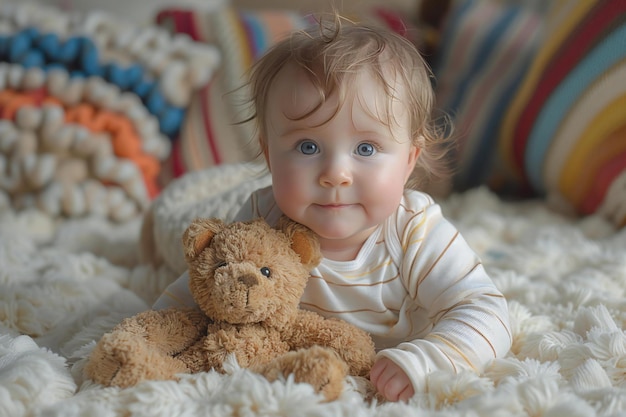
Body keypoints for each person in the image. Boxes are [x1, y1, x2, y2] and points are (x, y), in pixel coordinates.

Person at [153, 15, 512, 403]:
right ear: (271, 155)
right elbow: (209, 281)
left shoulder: (415, 231)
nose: (335, 174)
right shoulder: (264, 213)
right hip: (293, 365)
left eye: (366, 148)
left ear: (409, 160)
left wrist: (427, 359)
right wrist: (157, 332)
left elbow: (486, 312)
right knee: (177, 228)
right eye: (308, 147)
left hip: (371, 367)